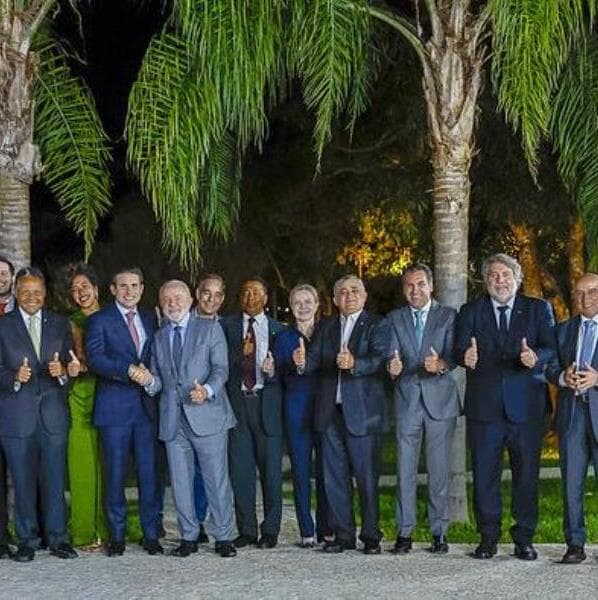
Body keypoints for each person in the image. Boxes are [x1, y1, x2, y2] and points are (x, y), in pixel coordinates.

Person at [455, 253, 556, 561]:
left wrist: (535, 357)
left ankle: (524, 538)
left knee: (526, 477)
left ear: (517, 278)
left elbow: (552, 347)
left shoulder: (538, 309)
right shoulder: (471, 311)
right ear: (486, 281)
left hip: (526, 409)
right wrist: (464, 356)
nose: (499, 280)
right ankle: (488, 538)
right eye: (493, 275)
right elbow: (458, 348)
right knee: (485, 477)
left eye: (505, 275)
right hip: (484, 410)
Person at [133, 280, 237, 558]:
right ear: (161, 304)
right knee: (180, 483)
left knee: (216, 480)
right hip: (173, 421)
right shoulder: (159, 337)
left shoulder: (210, 328)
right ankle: (188, 536)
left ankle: (223, 537)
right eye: (167, 299)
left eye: (178, 298)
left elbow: (221, 369)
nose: (173, 303)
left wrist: (208, 390)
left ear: (191, 300)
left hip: (208, 416)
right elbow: (158, 382)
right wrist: (147, 380)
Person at [293, 275, 388, 554]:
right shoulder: (327, 326)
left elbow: (380, 359)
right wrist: (301, 362)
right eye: (343, 292)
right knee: (334, 478)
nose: (349, 296)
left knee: (366, 479)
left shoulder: (377, 324)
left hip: (362, 414)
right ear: (335, 300)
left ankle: (371, 536)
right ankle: (343, 535)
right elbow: (313, 360)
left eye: (355, 291)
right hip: (330, 413)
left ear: (364, 296)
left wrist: (355, 363)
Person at [0, 267, 80, 561]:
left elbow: (70, 365)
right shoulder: (3, 325)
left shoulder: (59, 324)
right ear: (16, 293)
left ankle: (58, 539)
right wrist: (13, 377)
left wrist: (64, 373)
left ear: (45, 295)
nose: (31, 297)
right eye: (25, 291)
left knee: (55, 480)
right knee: (22, 483)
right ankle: (27, 541)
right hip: (16, 417)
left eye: (36, 292)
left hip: (53, 415)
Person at [85, 267, 161, 556]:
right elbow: (95, 358)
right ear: (113, 290)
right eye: (123, 286)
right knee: (114, 475)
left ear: (142, 289)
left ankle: (151, 533)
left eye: (134, 285)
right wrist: (127, 370)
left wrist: (151, 379)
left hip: (146, 410)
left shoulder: (150, 318)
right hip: (114, 409)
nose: (130, 291)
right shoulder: (99, 320)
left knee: (149, 475)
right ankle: (116, 536)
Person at [387, 264, 461, 554]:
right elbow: (391, 355)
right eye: (409, 285)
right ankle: (404, 532)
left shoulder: (448, 316)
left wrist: (440, 364)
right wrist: (391, 367)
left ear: (431, 286)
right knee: (404, 470)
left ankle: (439, 532)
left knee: (438, 471)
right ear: (403, 289)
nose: (415, 290)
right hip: (407, 401)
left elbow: (454, 355)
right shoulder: (395, 318)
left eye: (420, 284)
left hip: (440, 402)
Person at [221, 277, 286, 549]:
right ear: (240, 297)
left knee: (271, 473)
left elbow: (291, 371)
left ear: (266, 298)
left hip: (267, 405)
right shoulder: (225, 327)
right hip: (237, 406)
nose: (251, 297)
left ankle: (270, 530)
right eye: (246, 292)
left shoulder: (279, 330)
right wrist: (240, 353)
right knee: (241, 473)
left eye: (256, 292)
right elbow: (219, 363)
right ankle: (246, 529)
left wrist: (274, 372)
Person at [271, 283, 331, 547]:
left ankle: (327, 527)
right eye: (297, 302)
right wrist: (283, 366)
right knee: (300, 470)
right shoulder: (283, 338)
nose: (303, 307)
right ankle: (307, 530)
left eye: (308, 302)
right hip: (296, 408)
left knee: (327, 470)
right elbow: (278, 374)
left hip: (325, 408)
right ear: (291, 307)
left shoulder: (328, 332)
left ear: (317, 304)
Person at [546, 272, 598, 564]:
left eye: (592, 291)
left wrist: (597, 378)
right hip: (573, 415)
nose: (584, 298)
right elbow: (550, 366)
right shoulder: (564, 330)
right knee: (571, 484)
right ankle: (575, 544)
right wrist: (563, 377)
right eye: (579, 292)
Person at [66, 263, 108, 547]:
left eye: (85, 286)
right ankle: (83, 531)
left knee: (108, 465)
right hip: (78, 397)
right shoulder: (67, 323)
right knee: (80, 465)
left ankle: (107, 529)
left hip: (109, 396)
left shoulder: (113, 318)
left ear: (96, 288)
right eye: (75, 289)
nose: (81, 292)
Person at [190, 272, 227, 543]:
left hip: (216, 410)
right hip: (186, 409)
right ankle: (195, 523)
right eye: (206, 293)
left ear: (222, 299)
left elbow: (223, 369)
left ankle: (220, 527)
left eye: (217, 295)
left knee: (214, 473)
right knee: (192, 473)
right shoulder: (179, 321)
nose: (211, 299)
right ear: (197, 293)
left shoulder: (225, 326)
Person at [0, 255, 14, 558]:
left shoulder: (23, 310)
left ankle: (36, 531)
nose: (1, 278)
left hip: (19, 403)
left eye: (4, 273)